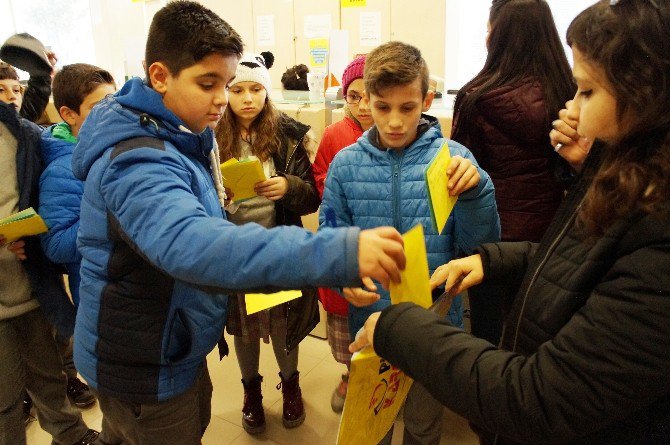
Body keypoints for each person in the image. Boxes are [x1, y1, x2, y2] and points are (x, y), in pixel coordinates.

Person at [71, 2, 405, 444]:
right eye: (208, 83)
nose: (223, 99)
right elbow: (196, 245)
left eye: (226, 84)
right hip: (143, 363)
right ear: (159, 76)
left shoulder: (179, 132)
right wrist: (337, 253)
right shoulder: (136, 159)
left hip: (163, 344)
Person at [351, 1, 670, 443]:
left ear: (647, 96)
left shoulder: (657, 234)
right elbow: (585, 266)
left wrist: (396, 325)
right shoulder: (632, 183)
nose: (570, 113)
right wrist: (496, 260)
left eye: (586, 92)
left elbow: (536, 398)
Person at [320, 41, 500, 444]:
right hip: (371, 324)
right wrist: (342, 274)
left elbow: (479, 249)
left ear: (427, 100)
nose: (395, 121)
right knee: (372, 425)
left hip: (433, 320)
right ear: (366, 101)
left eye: (407, 107)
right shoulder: (346, 164)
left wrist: (478, 192)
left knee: (422, 422)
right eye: (383, 107)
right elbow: (330, 238)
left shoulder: (453, 159)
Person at [450, 0, 576, 345]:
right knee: (536, 330)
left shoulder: (475, 98)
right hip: (550, 234)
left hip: (490, 237)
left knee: (489, 333)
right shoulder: (570, 95)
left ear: (496, 34)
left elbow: (459, 174)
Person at [214, 51, 320, 434]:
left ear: (266, 91)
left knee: (280, 324)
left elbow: (311, 197)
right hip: (233, 252)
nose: (246, 98)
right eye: (237, 89)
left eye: (255, 89)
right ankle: (251, 392)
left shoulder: (288, 134)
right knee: (244, 328)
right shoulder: (209, 134)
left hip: (275, 250)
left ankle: (290, 385)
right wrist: (216, 197)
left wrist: (288, 187)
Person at [0, 99, 98, 444]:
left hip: (30, 283)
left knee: (48, 375)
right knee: (6, 398)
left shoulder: (22, 134)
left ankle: (71, 435)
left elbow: (43, 206)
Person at [38, 63, 116, 410]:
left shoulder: (113, 148)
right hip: (99, 302)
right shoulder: (61, 170)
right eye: (100, 107)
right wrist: (110, 218)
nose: (112, 112)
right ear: (69, 114)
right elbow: (55, 245)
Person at [312, 55, 373, 413]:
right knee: (346, 323)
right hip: (346, 239)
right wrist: (341, 184)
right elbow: (320, 176)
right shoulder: (335, 134)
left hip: (379, 240)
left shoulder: (393, 131)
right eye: (354, 96)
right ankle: (351, 373)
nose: (363, 105)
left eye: (371, 95)